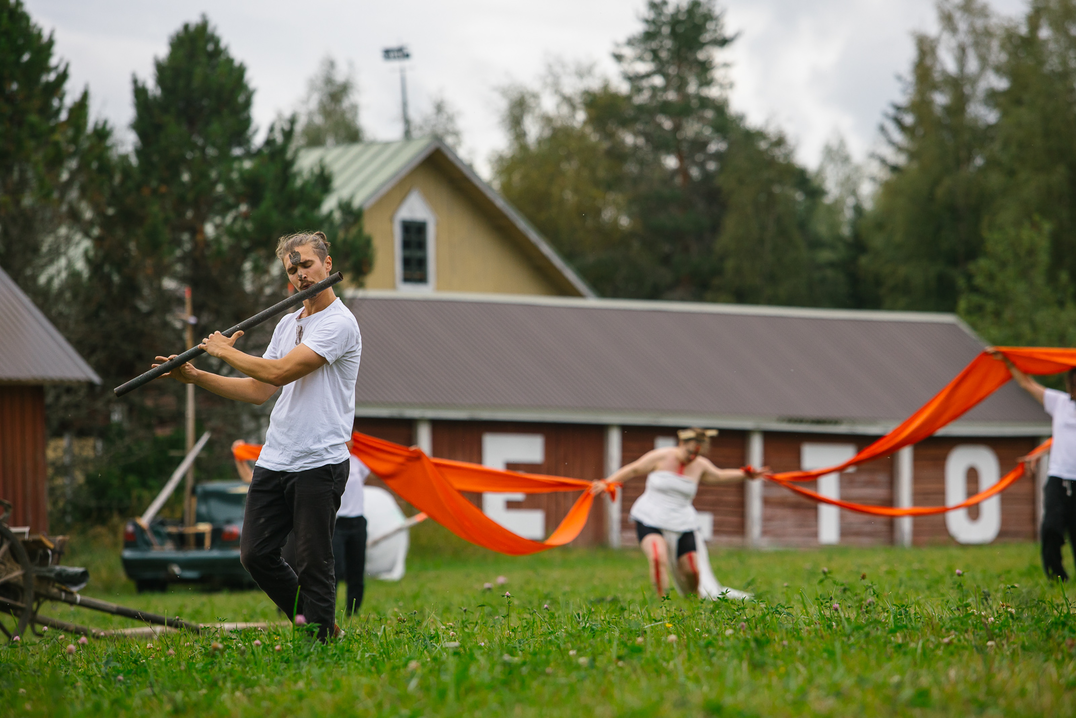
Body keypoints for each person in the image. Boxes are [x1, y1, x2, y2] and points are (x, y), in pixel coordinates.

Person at [153, 231, 361, 640]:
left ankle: (321, 640)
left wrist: (225, 351)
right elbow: (259, 389)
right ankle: (319, 624)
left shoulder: (339, 323)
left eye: (307, 265)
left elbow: (280, 372)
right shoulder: (287, 324)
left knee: (313, 561)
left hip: (319, 460)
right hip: (276, 457)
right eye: (292, 270)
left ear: (327, 264)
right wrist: (196, 375)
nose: (301, 275)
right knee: (255, 554)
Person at [599, 427, 763, 599]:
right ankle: (662, 602)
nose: (692, 457)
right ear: (681, 443)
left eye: (696, 454)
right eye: (689, 452)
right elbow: (633, 469)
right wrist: (607, 482)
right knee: (657, 557)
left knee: (691, 570)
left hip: (683, 522)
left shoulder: (700, 465)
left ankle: (694, 600)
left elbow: (720, 476)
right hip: (650, 518)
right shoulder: (661, 456)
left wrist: (746, 475)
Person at [989, 349, 1076, 581]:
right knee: (1051, 528)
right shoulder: (1059, 403)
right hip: (1059, 477)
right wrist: (1009, 361)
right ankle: (1056, 577)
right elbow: (1027, 384)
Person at [333, 446, 369, 616]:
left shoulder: (359, 462)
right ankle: (328, 609)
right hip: (337, 523)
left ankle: (352, 611)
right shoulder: (331, 461)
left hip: (357, 522)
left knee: (356, 569)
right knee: (335, 568)